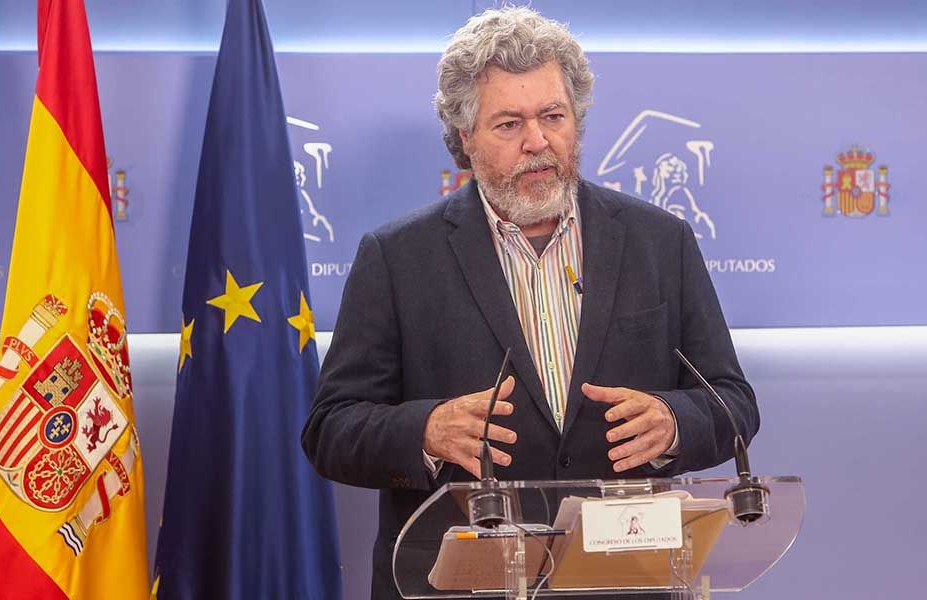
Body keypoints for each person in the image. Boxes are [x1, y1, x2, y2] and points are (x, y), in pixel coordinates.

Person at [301, 7, 758, 599]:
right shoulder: (397, 257)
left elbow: (733, 402)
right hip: (462, 587)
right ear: (465, 137)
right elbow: (331, 429)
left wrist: (675, 422)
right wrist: (428, 430)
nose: (538, 142)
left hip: (626, 580)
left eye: (553, 116)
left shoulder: (659, 241)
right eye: (509, 124)